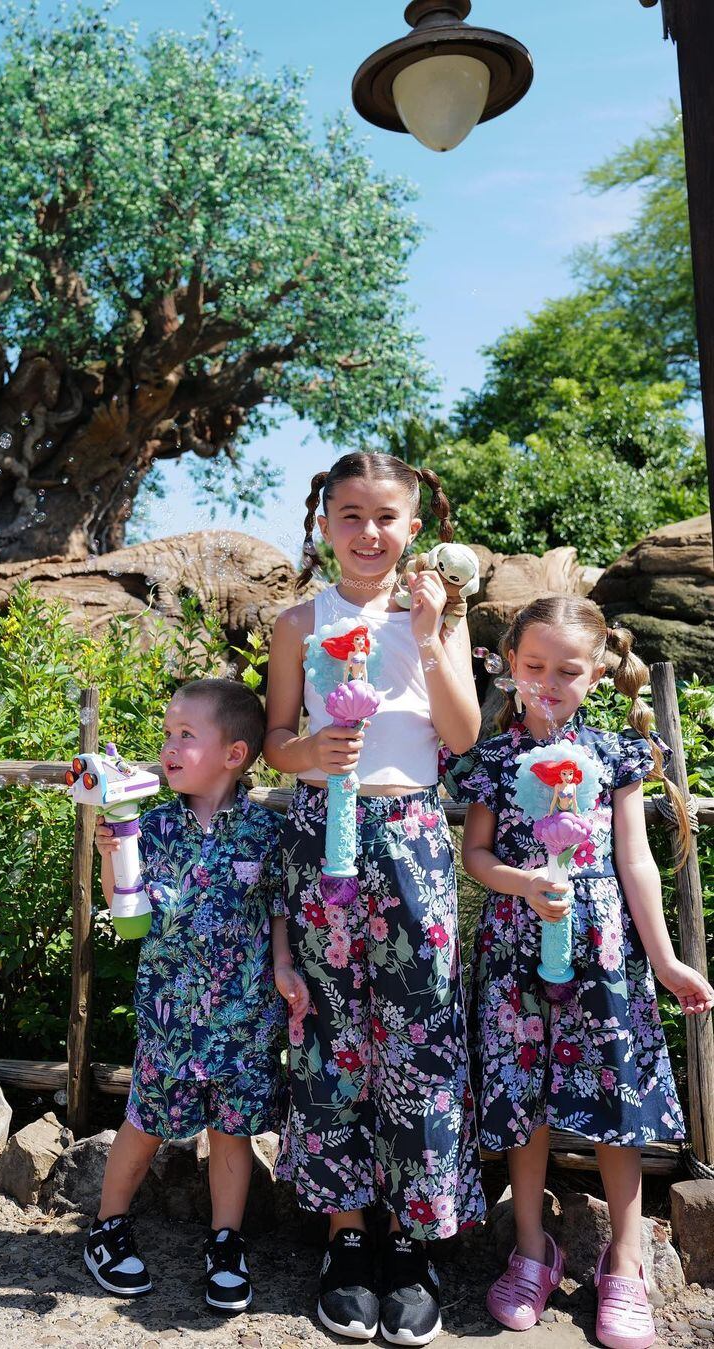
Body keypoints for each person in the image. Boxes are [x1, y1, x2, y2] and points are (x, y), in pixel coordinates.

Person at [447, 595, 714, 1349]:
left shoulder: (616, 754)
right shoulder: (495, 758)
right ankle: (531, 1246)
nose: (550, 682)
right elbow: (476, 855)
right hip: (511, 949)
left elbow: (635, 860)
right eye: (534, 667)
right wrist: (523, 882)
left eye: (569, 670)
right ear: (508, 664)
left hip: (603, 951)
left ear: (597, 672)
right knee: (520, 1097)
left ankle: (624, 1263)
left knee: (615, 1100)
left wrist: (663, 959)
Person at [264, 451, 484, 1345]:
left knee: (418, 1034)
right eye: (349, 515)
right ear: (324, 525)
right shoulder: (296, 621)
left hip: (416, 842)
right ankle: (345, 1237)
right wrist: (304, 754)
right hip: (323, 839)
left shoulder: (438, 616)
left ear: (414, 527)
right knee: (330, 1033)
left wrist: (430, 637)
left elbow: (462, 738)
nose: (368, 533)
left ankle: (413, 1239)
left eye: (385, 517)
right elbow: (277, 736)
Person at [82, 677, 298, 1314]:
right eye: (167, 735)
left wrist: (284, 965)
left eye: (186, 736)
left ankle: (225, 1243)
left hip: (244, 1016)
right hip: (170, 1013)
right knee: (146, 1121)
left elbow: (279, 910)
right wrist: (110, 855)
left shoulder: (265, 832)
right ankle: (108, 1226)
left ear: (234, 754)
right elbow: (130, 914)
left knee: (232, 1132)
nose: (169, 748)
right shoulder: (149, 826)